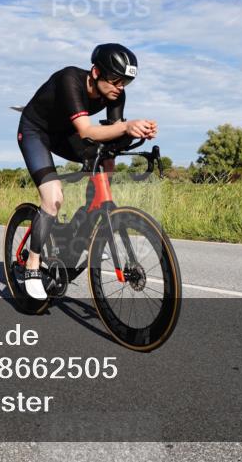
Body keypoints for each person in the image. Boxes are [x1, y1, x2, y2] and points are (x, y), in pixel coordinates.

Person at [17, 44, 157, 299]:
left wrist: (138, 132)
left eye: (126, 82)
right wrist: (127, 127)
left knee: (108, 158)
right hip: (36, 132)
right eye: (116, 80)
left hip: (65, 134)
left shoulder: (116, 94)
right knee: (53, 199)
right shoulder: (70, 79)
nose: (120, 87)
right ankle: (33, 264)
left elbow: (113, 134)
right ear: (95, 72)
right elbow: (87, 132)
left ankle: (88, 223)